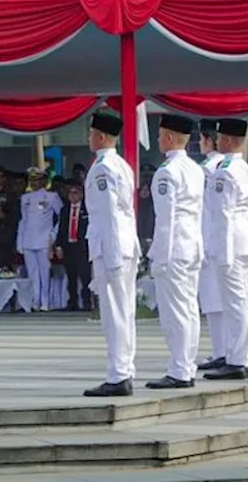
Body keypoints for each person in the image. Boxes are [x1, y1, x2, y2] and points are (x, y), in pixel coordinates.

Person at [146, 114, 204, 389]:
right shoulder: (195, 168)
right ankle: (186, 365)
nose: (158, 140)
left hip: (174, 249)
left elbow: (165, 219)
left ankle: (180, 369)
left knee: (175, 313)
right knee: (189, 309)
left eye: (159, 135)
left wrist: (161, 256)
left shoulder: (167, 172)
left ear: (169, 138)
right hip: (191, 245)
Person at [82, 112, 138, 397]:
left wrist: (114, 254)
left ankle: (118, 374)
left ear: (101, 136)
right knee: (123, 310)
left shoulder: (103, 168)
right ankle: (124, 369)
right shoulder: (120, 165)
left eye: (91, 133)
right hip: (122, 244)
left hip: (112, 246)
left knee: (115, 312)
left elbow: (112, 214)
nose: (88, 137)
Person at [201, 118, 248, 381]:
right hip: (243, 239)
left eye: (221, 138)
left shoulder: (225, 170)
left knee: (235, 303)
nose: (218, 141)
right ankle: (238, 356)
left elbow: (222, 214)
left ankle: (237, 359)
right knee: (240, 301)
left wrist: (221, 252)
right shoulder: (243, 166)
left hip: (230, 242)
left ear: (230, 141)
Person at [197, 119, 228, 372]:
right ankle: (226, 349)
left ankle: (220, 351)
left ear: (209, 140)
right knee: (223, 299)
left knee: (212, 300)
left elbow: (202, 210)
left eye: (202, 139)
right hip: (222, 238)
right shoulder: (227, 165)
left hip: (208, 238)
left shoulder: (207, 168)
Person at [18, 167, 61, 312]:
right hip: (28, 240)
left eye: (37, 180)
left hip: (44, 240)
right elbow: (23, 220)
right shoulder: (25, 198)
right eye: (32, 180)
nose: (34, 183)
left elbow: (62, 217)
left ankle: (45, 302)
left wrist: (53, 235)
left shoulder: (52, 197)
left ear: (44, 181)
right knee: (32, 273)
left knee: (45, 272)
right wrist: (20, 240)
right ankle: (35, 300)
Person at [57, 180, 91, 311]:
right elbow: (61, 228)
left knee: (85, 276)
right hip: (69, 246)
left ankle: (87, 301)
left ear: (81, 194)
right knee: (71, 276)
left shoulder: (87, 209)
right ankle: (72, 301)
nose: (72, 196)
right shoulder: (65, 209)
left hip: (82, 247)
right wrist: (59, 246)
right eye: (70, 193)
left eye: (75, 193)